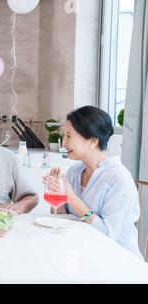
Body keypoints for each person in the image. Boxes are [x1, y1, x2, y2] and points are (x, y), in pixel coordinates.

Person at [44, 106, 142, 258]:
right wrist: (58, 196)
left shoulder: (119, 179)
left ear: (93, 142)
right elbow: (65, 218)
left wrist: (73, 199)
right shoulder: (74, 172)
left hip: (118, 261)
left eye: (69, 136)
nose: (63, 142)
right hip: (82, 253)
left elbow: (107, 234)